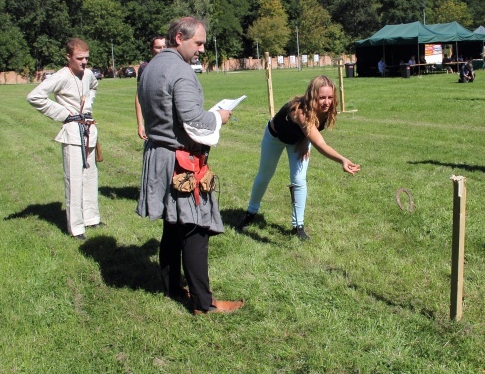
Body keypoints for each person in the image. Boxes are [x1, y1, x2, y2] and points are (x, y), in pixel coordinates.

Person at [136, 17, 243, 315]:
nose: (202, 49)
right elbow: (193, 120)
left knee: (173, 224)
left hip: (159, 154)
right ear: (179, 37)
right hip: (180, 161)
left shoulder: (150, 67)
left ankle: (171, 287)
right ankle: (203, 303)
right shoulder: (180, 72)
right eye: (198, 43)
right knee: (196, 227)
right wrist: (218, 118)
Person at [238, 75, 361, 240]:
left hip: (299, 140)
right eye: (321, 98)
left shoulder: (327, 111)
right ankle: (251, 212)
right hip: (275, 137)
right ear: (312, 97)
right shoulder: (300, 112)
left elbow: (313, 130)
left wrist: (304, 140)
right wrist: (342, 160)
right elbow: (320, 144)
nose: (326, 102)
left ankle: (298, 226)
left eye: (330, 97)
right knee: (265, 174)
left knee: (299, 179)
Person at [27, 38, 101, 240]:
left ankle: (91, 217)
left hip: (88, 129)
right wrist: (63, 113)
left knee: (90, 175)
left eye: (86, 58)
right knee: (74, 179)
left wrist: (88, 105)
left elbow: (94, 86)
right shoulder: (61, 76)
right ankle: (76, 227)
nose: (84, 62)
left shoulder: (87, 75)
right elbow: (35, 97)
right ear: (68, 57)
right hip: (72, 132)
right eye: (79, 58)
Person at [135, 36, 166, 140]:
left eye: (164, 46)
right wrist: (140, 124)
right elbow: (139, 97)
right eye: (158, 47)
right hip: (153, 122)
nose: (162, 50)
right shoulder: (144, 68)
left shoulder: (175, 66)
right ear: (151, 49)